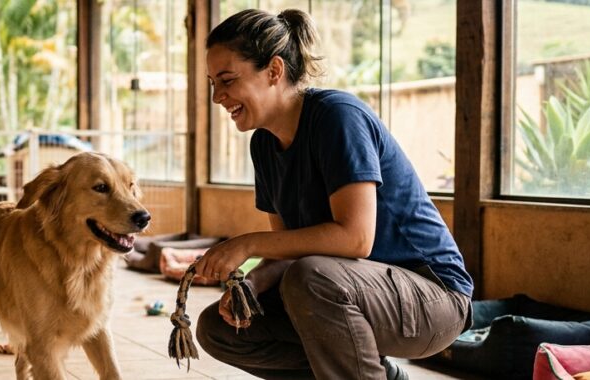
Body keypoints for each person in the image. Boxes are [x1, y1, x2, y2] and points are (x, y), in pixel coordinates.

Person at [193, 8, 474, 379]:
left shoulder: (338, 116)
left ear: (274, 71)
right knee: (219, 329)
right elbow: (287, 249)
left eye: (227, 80)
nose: (217, 96)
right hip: (346, 289)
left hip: (433, 299)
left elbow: (356, 239)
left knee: (312, 278)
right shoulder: (264, 144)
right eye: (213, 82)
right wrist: (252, 283)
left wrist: (245, 245)